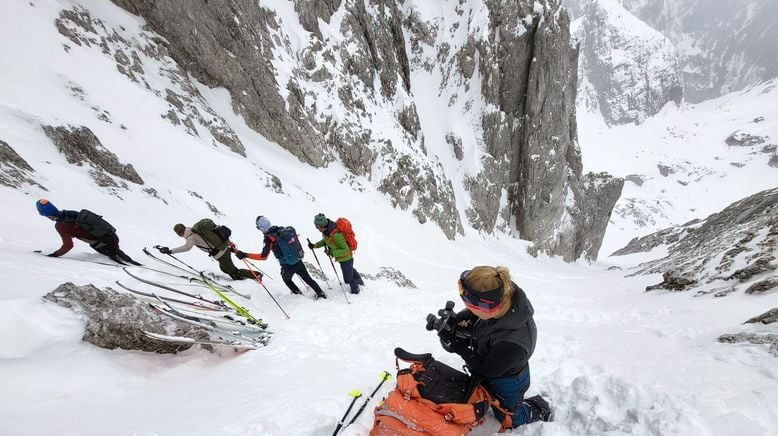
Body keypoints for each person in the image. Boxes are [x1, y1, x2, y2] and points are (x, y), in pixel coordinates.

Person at [444, 266, 552, 428]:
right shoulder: (503, 293)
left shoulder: (512, 343)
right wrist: (457, 322)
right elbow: (478, 317)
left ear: (486, 308)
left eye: (471, 306)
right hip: (498, 361)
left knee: (507, 416)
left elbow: (485, 370)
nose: (467, 308)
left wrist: (458, 345)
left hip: (508, 380)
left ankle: (539, 408)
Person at [234, 216, 327, 299]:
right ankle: (320, 293)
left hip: (287, 265)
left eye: (258, 227)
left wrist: (245, 255)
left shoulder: (269, 238)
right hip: (297, 260)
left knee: (286, 279)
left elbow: (263, 257)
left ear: (261, 228)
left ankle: (298, 296)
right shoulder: (280, 229)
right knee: (308, 279)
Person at [35, 199, 140, 265]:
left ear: (47, 215)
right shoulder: (71, 213)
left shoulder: (61, 225)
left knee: (116, 257)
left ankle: (127, 265)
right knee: (118, 254)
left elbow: (68, 245)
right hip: (110, 234)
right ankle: (131, 263)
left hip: (102, 242)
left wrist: (56, 254)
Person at [156, 222, 255, 280]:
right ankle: (242, 279)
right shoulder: (193, 230)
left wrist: (171, 251)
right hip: (222, 250)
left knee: (233, 272)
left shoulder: (190, 236)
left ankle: (255, 276)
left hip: (221, 252)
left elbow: (187, 247)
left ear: (179, 233)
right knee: (225, 269)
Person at [308, 213, 363, 294]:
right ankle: (360, 282)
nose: (317, 228)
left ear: (322, 226)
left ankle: (356, 290)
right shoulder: (326, 232)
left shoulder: (336, 235)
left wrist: (332, 252)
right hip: (342, 257)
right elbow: (326, 241)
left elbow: (346, 250)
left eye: (317, 226)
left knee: (347, 278)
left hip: (346, 257)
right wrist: (315, 245)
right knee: (350, 269)